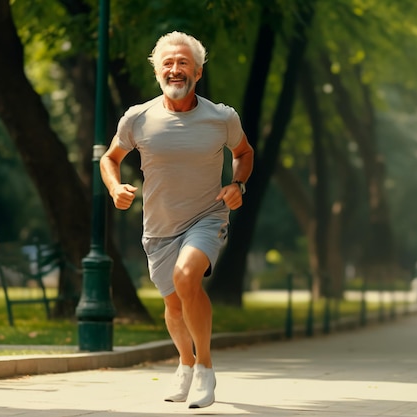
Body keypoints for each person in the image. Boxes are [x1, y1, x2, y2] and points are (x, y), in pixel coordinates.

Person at [100, 31, 254, 409]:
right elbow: (110, 159)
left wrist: (238, 184)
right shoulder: (138, 118)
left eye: (183, 62)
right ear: (157, 71)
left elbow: (244, 152)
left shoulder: (221, 118)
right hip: (158, 228)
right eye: (167, 63)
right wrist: (114, 188)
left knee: (187, 278)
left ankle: (205, 368)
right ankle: (185, 363)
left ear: (198, 73)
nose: (175, 69)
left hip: (206, 216)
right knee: (173, 305)